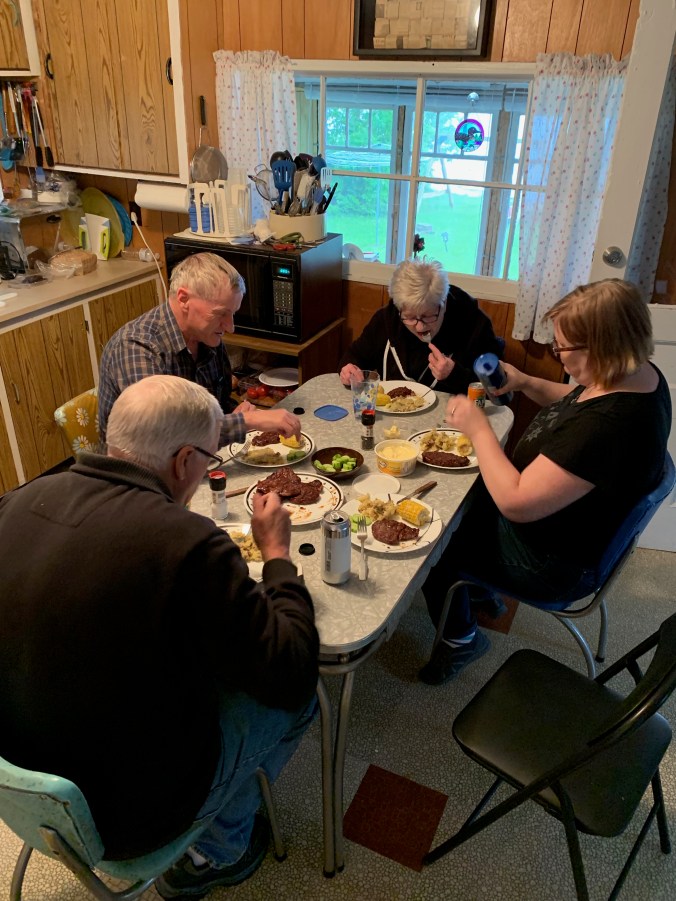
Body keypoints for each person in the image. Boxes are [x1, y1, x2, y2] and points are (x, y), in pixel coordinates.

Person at [0, 375, 319, 897]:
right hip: (127, 819)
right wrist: (279, 556)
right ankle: (215, 851)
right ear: (183, 460)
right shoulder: (189, 542)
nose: (207, 473)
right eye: (210, 461)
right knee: (300, 698)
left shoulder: (16, 500)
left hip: (21, 785)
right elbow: (291, 671)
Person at [419, 279, 671, 686]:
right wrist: (527, 382)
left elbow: (516, 502)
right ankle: (481, 594)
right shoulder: (636, 373)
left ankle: (461, 638)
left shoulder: (610, 428)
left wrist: (478, 428)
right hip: (572, 531)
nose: (559, 357)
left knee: (436, 536)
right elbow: (578, 402)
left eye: (564, 349)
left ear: (605, 346)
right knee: (458, 497)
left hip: (552, 564)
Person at [98, 251, 301, 445]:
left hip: (194, 460)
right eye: (221, 314)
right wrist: (246, 422)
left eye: (233, 314)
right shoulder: (137, 348)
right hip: (141, 473)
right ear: (184, 299)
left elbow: (217, 407)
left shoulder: (207, 338)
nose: (230, 327)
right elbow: (162, 436)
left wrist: (241, 413)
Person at [339, 257, 502, 394]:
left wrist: (454, 374)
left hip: (454, 423)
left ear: (443, 304)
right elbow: (356, 355)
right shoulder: (387, 319)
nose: (420, 327)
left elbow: (496, 390)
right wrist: (349, 370)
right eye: (410, 318)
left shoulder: (474, 324)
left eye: (427, 316)